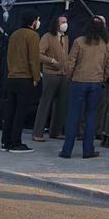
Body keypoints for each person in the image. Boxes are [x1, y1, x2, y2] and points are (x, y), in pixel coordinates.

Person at [60, 15, 109, 159]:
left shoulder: (79, 41)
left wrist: (69, 76)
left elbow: (71, 62)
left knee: (73, 116)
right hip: (96, 83)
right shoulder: (107, 43)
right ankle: (88, 150)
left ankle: (67, 150)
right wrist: (103, 77)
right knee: (91, 116)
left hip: (78, 81)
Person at [1, 10, 42, 153]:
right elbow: (34, 59)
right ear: (33, 22)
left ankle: (5, 141)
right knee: (20, 111)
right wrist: (36, 77)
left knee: (10, 110)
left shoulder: (14, 34)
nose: (38, 22)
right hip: (25, 78)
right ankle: (16, 142)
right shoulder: (32, 35)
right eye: (37, 19)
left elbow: (9, 56)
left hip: (12, 77)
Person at [32, 14, 69, 142]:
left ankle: (56, 131)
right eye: (63, 21)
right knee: (45, 102)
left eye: (66, 21)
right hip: (50, 74)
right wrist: (52, 61)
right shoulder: (47, 37)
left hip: (64, 74)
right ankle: (38, 132)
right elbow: (38, 53)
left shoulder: (65, 38)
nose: (65, 23)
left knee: (61, 104)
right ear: (56, 24)